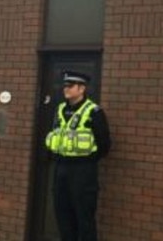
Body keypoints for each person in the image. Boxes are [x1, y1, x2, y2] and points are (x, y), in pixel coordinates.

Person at [45, 70, 111, 241]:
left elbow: (104, 145)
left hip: (83, 171)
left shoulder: (94, 112)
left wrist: (86, 160)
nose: (65, 89)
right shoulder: (59, 109)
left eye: (70, 86)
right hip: (61, 169)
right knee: (63, 215)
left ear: (81, 89)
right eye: (64, 86)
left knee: (84, 217)